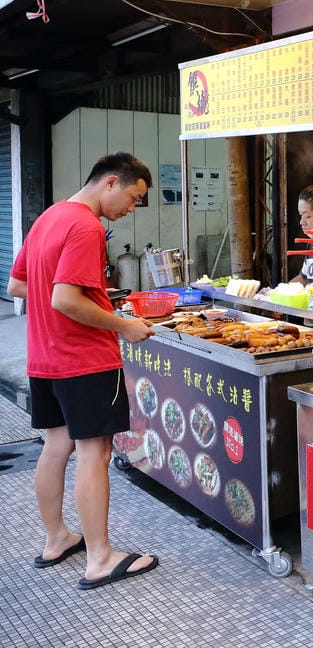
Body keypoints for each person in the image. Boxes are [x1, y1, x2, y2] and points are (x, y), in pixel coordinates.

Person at [8, 152, 159, 590]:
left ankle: (56, 539)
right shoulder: (86, 226)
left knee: (56, 446)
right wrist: (123, 324)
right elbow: (64, 300)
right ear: (111, 182)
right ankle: (100, 557)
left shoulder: (49, 217)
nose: (131, 209)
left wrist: (77, 293)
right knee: (96, 454)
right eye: (133, 198)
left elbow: (18, 285)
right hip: (84, 360)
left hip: (45, 359)